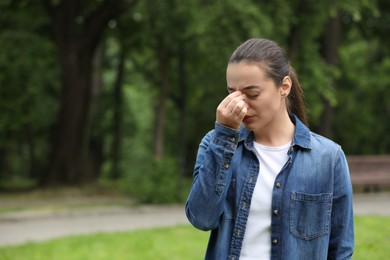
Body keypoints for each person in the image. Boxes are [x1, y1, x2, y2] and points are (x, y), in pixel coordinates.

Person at [185, 38, 354, 260]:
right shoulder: (216, 144)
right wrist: (225, 137)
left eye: (252, 94)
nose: (241, 104)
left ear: (284, 86)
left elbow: (340, 250)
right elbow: (201, 218)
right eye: (232, 93)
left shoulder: (328, 158)